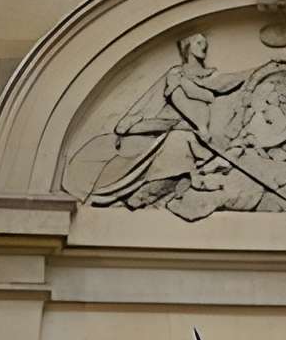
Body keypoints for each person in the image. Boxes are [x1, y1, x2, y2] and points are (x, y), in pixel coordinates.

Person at [89, 29, 247, 208]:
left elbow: (227, 82)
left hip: (202, 130)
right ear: (187, 46)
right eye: (198, 42)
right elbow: (178, 99)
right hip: (183, 126)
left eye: (205, 42)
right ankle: (145, 194)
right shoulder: (177, 74)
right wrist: (200, 125)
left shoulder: (211, 75)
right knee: (177, 141)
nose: (204, 45)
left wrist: (257, 71)